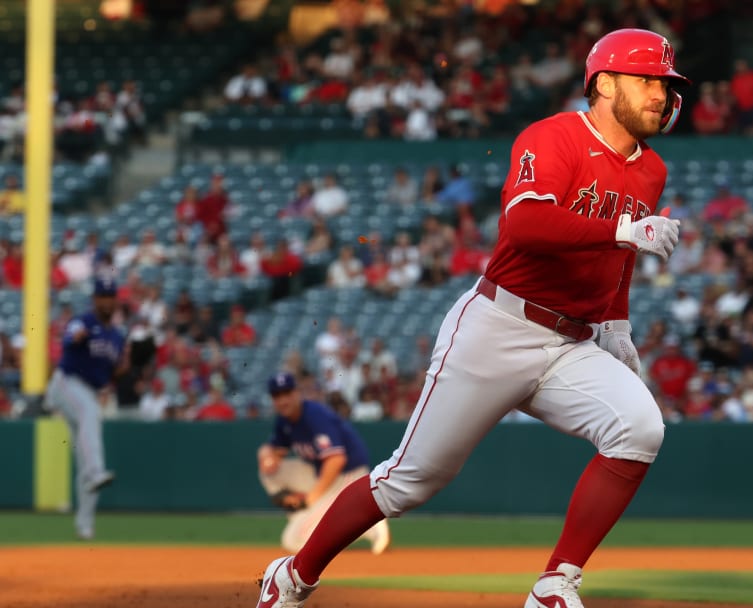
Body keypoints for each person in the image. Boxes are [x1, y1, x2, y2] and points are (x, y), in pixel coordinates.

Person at [255, 27, 685, 608]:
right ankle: (293, 576)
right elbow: (526, 227)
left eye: (664, 82)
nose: (660, 92)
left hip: (572, 342)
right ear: (604, 83)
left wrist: (619, 327)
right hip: (499, 326)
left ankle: (555, 585)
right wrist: (622, 230)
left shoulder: (650, 170)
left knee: (640, 428)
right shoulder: (553, 136)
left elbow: (619, 263)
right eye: (646, 79)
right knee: (409, 482)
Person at [256, 372, 390, 556]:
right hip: (320, 474)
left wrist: (312, 498)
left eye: (287, 393)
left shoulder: (314, 415)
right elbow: (273, 449)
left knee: (293, 540)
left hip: (348, 475)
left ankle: (368, 525)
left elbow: (336, 460)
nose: (283, 400)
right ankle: (300, 515)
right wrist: (264, 455)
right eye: (277, 396)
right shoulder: (284, 420)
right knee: (270, 473)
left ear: (297, 394)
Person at [44, 276, 127, 540]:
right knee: (90, 414)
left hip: (89, 391)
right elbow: (70, 336)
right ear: (94, 300)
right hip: (66, 383)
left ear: (115, 300)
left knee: (85, 456)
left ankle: (84, 525)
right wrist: (74, 335)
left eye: (110, 295)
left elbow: (112, 373)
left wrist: (124, 369)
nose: (106, 300)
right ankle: (96, 471)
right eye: (102, 295)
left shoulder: (117, 337)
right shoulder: (84, 321)